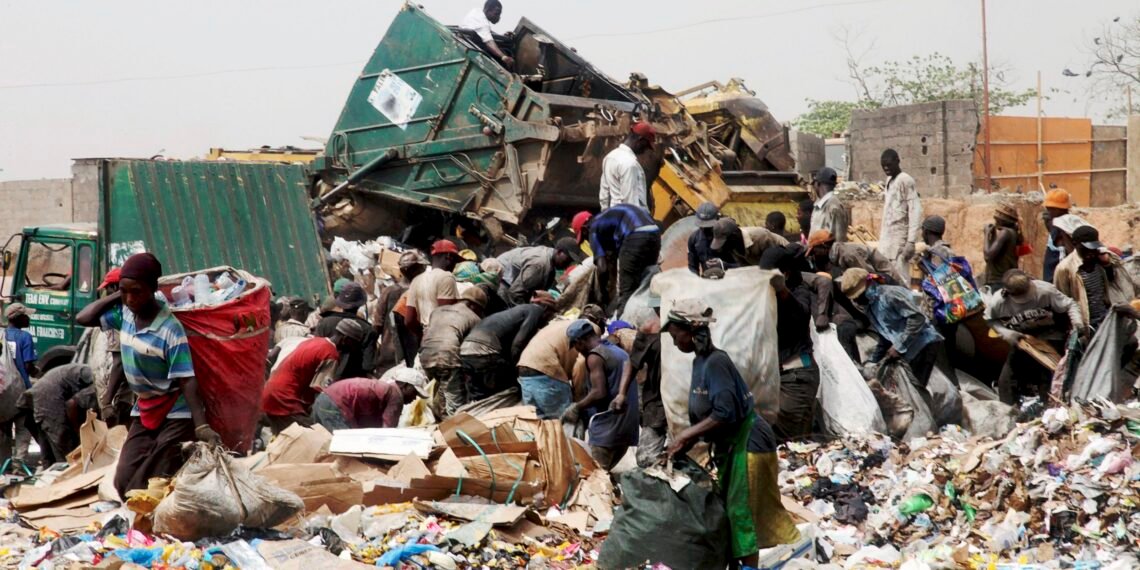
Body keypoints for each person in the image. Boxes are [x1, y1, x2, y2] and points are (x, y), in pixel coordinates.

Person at [662, 300, 801, 566]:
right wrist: (687, 442)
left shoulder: (717, 362)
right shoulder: (699, 363)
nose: (674, 340)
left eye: (675, 334)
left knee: (741, 513)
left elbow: (725, 412)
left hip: (749, 442)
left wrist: (685, 435)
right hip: (730, 446)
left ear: (690, 330)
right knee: (731, 512)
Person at [75, 252, 220, 497]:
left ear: (153, 289)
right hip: (144, 409)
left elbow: (186, 379)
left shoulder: (170, 329)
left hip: (176, 410)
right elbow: (84, 318)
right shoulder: (125, 316)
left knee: (144, 483)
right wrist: (118, 295)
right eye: (125, 291)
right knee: (123, 482)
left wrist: (201, 425)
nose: (130, 299)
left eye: (137, 291)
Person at [759, 246, 830, 440]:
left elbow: (800, 314)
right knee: (794, 442)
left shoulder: (799, 291)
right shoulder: (766, 297)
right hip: (778, 376)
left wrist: (782, 290)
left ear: (786, 274)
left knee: (780, 436)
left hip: (797, 377)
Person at [986, 270, 1083, 404]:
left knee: (1047, 378)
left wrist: (1077, 323)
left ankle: (1050, 411)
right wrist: (1006, 333)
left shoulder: (1045, 291)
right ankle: (1009, 412)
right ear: (1008, 293)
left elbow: (1070, 305)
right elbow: (990, 320)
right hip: (1022, 340)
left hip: (1050, 336)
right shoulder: (999, 301)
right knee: (1006, 381)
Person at [839, 267, 943, 387]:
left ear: (868, 284)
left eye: (858, 296)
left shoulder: (890, 295)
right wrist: (873, 361)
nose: (857, 301)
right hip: (909, 350)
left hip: (923, 344)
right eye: (854, 299)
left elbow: (917, 319)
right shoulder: (869, 308)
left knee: (917, 390)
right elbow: (886, 336)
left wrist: (899, 346)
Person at [261, 319, 365, 434]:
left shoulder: (314, 342)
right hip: (286, 400)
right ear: (346, 339)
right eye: (354, 344)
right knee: (313, 438)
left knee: (285, 441)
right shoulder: (330, 354)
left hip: (271, 392)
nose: (354, 349)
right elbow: (321, 393)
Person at [560, 319, 638, 471]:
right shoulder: (619, 352)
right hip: (627, 427)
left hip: (608, 429)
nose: (577, 350)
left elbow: (599, 392)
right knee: (604, 475)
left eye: (575, 346)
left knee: (594, 477)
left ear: (580, 341)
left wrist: (576, 407)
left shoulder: (594, 357)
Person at [460, 292, 556, 404]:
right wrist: (519, 368)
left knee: (479, 399)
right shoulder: (535, 310)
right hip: (485, 352)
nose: (548, 320)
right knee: (507, 391)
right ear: (545, 307)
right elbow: (518, 344)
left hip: (466, 351)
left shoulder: (513, 312)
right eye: (550, 314)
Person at [517, 305, 606, 419]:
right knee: (563, 425)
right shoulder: (589, 329)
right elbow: (580, 365)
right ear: (598, 321)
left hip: (524, 369)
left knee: (538, 425)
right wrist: (578, 402)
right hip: (546, 370)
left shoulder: (562, 323)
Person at [574, 204, 661, 316]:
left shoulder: (593, 229)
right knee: (648, 282)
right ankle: (657, 316)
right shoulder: (606, 219)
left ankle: (622, 326)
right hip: (654, 232)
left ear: (585, 230)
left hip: (635, 235)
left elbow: (602, 268)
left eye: (585, 238)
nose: (588, 242)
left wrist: (603, 295)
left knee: (627, 290)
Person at [1054, 225, 1139, 332]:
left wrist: (1107, 264)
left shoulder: (1099, 261)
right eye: (1085, 248)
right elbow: (1062, 302)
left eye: (1093, 248)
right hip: (1085, 324)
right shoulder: (1064, 269)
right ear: (1075, 244)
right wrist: (1073, 329)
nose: (1090, 252)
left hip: (1105, 319)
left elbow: (1112, 281)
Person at [420, 287, 487, 418]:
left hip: (425, 356)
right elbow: (471, 348)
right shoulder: (474, 318)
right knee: (455, 402)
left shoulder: (437, 311)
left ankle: (441, 421)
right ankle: (452, 428)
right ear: (473, 305)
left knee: (442, 389)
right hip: (447, 357)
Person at [28, 364, 96, 466]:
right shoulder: (92, 378)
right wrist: (78, 431)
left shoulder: (82, 372)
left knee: (48, 447)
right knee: (64, 444)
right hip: (48, 397)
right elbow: (71, 405)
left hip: (36, 395)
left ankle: (49, 473)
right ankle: (68, 473)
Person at [624, 306, 665, 468]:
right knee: (646, 458)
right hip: (656, 402)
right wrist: (622, 393)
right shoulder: (647, 334)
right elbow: (633, 364)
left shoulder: (678, 331)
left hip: (680, 404)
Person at [310, 375, 428, 431]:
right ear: (405, 386)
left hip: (325, 397)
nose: (414, 398)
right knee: (343, 443)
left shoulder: (384, 387)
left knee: (319, 438)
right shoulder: (396, 395)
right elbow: (387, 430)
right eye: (414, 393)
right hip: (336, 403)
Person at [93, 268, 132, 427]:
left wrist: (107, 400)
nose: (106, 293)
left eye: (108, 288)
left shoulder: (113, 315)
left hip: (128, 389)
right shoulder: (134, 309)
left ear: (116, 288)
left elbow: (119, 362)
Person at [314, 282, 377, 379]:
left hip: (324, 382)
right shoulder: (367, 329)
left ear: (339, 302)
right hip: (353, 386)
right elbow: (368, 366)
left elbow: (315, 355)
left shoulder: (324, 323)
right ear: (361, 304)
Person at [496, 238, 584, 306]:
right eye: (568, 259)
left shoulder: (550, 259)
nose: (568, 263)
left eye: (571, 261)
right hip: (501, 281)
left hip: (509, 282)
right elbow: (515, 293)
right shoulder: (540, 264)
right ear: (559, 252)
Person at [1, 303, 38, 466]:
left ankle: (4, 462)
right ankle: (19, 461)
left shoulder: (2, 335)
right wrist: (39, 373)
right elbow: (28, 366)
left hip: (4, 388)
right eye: (26, 316)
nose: (28, 318)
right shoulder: (25, 337)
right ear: (19, 318)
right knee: (23, 426)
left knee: (4, 425)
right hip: (21, 388)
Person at [878, 149, 922, 280]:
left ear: (897, 161)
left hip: (899, 241)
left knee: (901, 279)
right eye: (883, 165)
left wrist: (911, 241)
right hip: (887, 240)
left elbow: (915, 210)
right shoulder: (889, 181)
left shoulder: (906, 180)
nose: (886, 168)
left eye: (889, 164)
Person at [598, 123, 656, 211]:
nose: (645, 150)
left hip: (614, 214)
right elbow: (630, 200)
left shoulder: (610, 156)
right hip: (629, 219)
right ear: (640, 141)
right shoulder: (630, 164)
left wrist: (605, 214)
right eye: (646, 145)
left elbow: (604, 193)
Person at [807, 229, 901, 283]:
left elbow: (868, 276)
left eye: (814, 251)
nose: (815, 255)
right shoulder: (837, 254)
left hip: (889, 282)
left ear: (823, 246)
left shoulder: (848, 254)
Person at [460, 0, 514, 68]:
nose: (498, 17)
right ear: (488, 10)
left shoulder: (476, 11)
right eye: (496, 13)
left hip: (467, 41)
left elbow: (485, 32)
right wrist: (503, 57)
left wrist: (502, 36)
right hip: (473, 46)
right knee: (504, 52)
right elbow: (489, 42)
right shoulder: (483, 23)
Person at [983, 203, 1021, 289]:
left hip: (999, 280)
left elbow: (988, 256)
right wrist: (992, 236)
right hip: (1006, 278)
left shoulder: (1005, 233)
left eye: (997, 220)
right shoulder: (1012, 232)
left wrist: (986, 234)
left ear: (1001, 220)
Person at [809, 167, 848, 242]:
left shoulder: (833, 206)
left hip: (827, 253)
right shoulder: (821, 205)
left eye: (814, 184)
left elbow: (838, 241)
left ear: (818, 184)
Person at [1042, 189, 1073, 282]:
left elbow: (1070, 251)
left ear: (1057, 209)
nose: (1047, 212)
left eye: (1049, 209)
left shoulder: (1063, 225)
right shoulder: (1057, 223)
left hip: (1057, 277)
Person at [687, 202, 723, 274]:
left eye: (709, 227)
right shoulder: (694, 239)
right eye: (702, 226)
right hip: (707, 282)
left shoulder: (730, 236)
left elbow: (742, 267)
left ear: (718, 219)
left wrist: (722, 264)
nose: (705, 229)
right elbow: (693, 267)